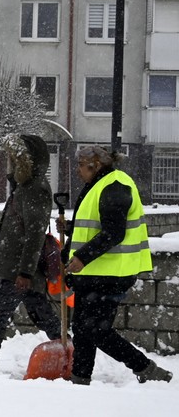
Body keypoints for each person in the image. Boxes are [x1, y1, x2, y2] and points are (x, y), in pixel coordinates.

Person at [64, 146, 173, 385]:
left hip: (111, 274)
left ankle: (146, 368)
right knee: (83, 330)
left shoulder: (115, 186)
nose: (78, 169)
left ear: (96, 165)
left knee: (95, 331)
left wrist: (82, 256)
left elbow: (114, 232)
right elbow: (96, 226)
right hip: (96, 273)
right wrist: (71, 233)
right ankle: (79, 378)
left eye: (81, 164)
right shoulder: (101, 184)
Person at [0, 134, 62, 376]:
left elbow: (35, 235)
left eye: (14, 159)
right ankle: (67, 346)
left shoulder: (35, 189)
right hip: (18, 268)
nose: (9, 163)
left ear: (27, 162)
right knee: (41, 313)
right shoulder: (25, 188)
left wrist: (26, 272)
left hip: (18, 270)